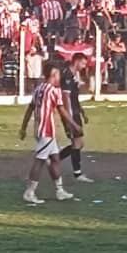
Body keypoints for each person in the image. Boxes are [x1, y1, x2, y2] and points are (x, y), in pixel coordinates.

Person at [19, 62, 80, 204]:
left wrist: (23, 128)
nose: (60, 77)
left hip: (41, 129)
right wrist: (75, 125)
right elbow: (62, 110)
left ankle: (60, 191)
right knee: (39, 161)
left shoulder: (38, 89)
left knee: (55, 159)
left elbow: (30, 108)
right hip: (46, 130)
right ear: (53, 75)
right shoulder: (53, 91)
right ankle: (29, 192)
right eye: (58, 74)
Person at [57, 52, 94, 183]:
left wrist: (82, 112)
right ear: (77, 61)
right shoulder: (67, 75)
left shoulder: (73, 76)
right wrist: (69, 119)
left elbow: (74, 97)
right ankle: (77, 174)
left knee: (79, 143)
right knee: (77, 143)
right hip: (71, 113)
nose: (84, 66)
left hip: (76, 112)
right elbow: (66, 98)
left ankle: (54, 159)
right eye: (83, 63)